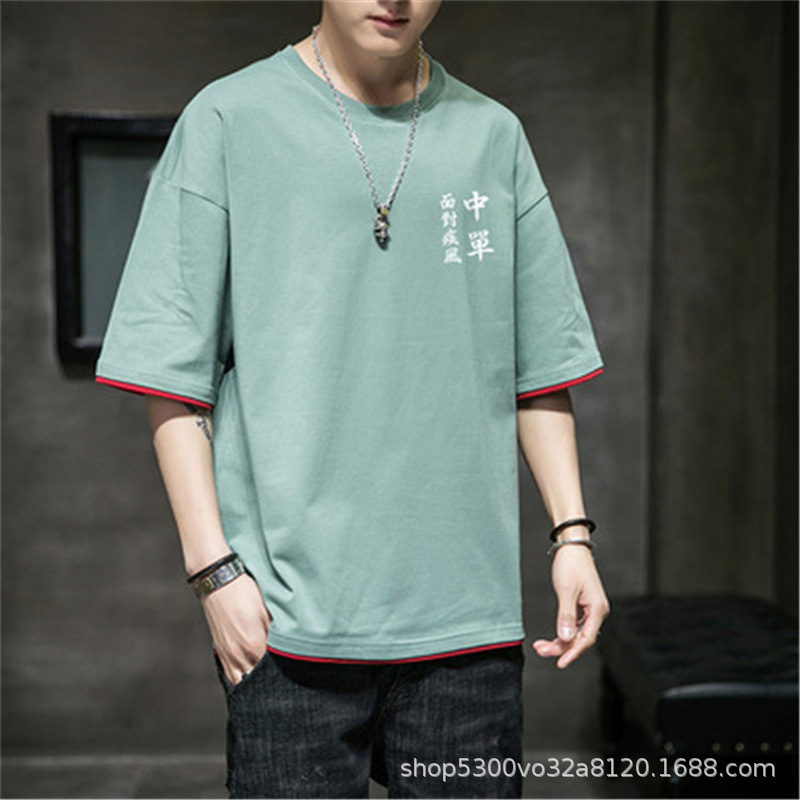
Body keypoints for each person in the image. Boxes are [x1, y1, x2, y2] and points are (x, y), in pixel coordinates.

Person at [95, 1, 611, 796]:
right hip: (287, 623)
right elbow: (171, 376)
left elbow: (539, 369)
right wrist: (214, 575)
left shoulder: (492, 136)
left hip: (465, 623)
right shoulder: (229, 120)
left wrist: (572, 536)